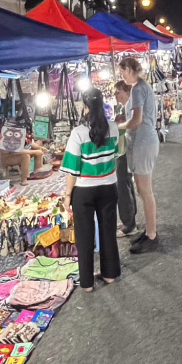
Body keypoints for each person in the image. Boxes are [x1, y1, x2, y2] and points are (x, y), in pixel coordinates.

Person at [61, 87, 122, 291]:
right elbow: (114, 153)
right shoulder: (113, 128)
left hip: (84, 191)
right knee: (108, 231)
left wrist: (67, 196)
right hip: (108, 188)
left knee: (85, 236)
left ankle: (87, 283)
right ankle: (110, 273)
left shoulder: (78, 133)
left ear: (85, 106)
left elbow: (72, 169)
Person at [118, 57, 161, 253]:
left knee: (145, 191)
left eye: (122, 72)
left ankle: (151, 235)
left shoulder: (137, 89)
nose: (121, 76)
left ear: (128, 69)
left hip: (144, 143)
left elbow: (136, 120)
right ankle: (148, 230)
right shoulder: (140, 87)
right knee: (142, 191)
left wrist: (118, 127)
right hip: (142, 142)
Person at [113, 80, 138, 236]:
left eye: (118, 91)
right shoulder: (125, 106)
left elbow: (131, 125)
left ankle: (129, 224)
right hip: (125, 148)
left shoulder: (130, 107)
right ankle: (130, 220)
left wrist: (116, 126)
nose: (116, 94)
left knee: (122, 185)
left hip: (125, 149)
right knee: (126, 183)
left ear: (127, 92)